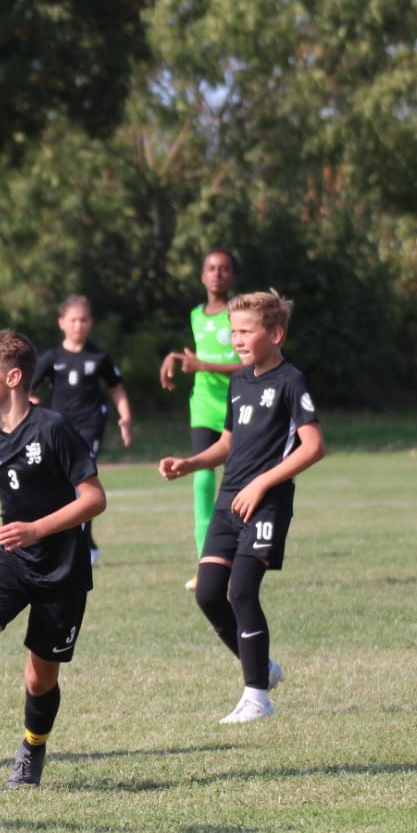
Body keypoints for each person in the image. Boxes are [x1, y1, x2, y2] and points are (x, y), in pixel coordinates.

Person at [0, 330, 106, 788]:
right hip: (10, 560)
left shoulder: (54, 428)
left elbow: (94, 499)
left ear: (12, 378)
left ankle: (32, 749)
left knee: (38, 678)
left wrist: (36, 528)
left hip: (62, 567)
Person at [158, 290, 324, 723]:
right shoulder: (239, 381)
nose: (237, 339)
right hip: (230, 501)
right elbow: (229, 444)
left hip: (266, 503)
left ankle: (257, 698)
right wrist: (190, 462)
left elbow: (313, 448)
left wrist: (263, 483)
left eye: (246, 331)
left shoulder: (291, 381)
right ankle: (262, 667)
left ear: (276, 333)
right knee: (210, 593)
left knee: (242, 591)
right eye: (234, 332)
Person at [161, 249, 242, 589]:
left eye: (224, 269)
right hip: (204, 406)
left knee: (237, 483)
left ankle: (243, 557)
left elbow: (248, 364)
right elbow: (201, 355)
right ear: (202, 276)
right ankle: (205, 565)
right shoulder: (196, 315)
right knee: (201, 481)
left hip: (238, 404)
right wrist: (175, 357)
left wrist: (203, 366)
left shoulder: (239, 313)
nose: (217, 274)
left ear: (232, 277)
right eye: (211, 268)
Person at [31, 295, 132, 565]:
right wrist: (31, 399)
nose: (79, 325)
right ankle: (66, 540)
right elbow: (27, 385)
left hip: (90, 426)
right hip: (58, 428)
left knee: (83, 484)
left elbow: (117, 389)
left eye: (84, 320)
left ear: (91, 323)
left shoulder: (99, 356)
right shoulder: (52, 356)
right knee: (58, 483)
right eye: (73, 320)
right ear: (62, 323)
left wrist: (125, 418)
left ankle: (84, 543)